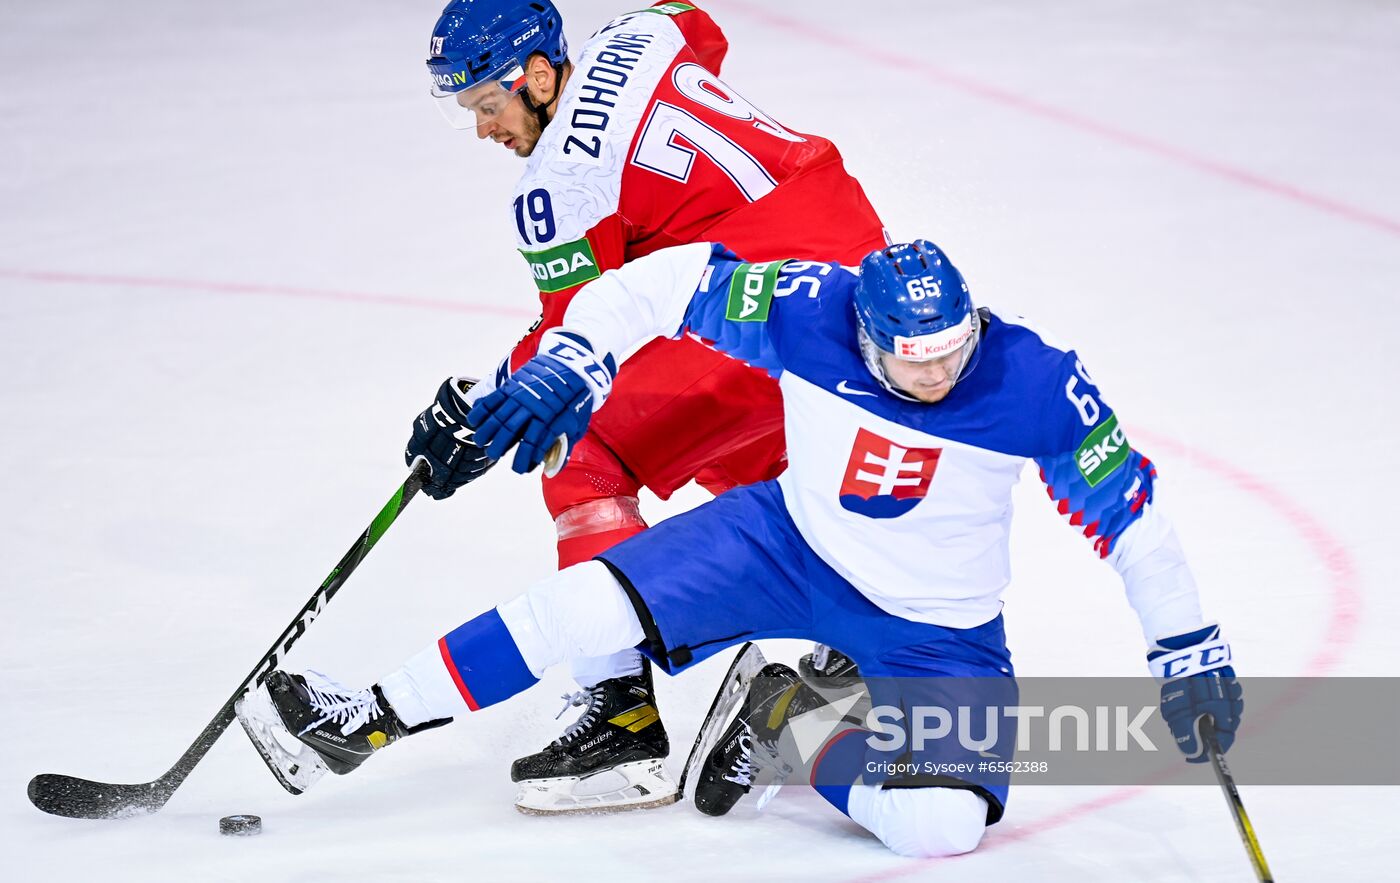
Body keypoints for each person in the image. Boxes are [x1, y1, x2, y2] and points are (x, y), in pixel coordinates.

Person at [238, 240, 1244, 857]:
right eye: (912, 356)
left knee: (943, 830)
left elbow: (1130, 519)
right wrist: (576, 361)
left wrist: (1187, 646)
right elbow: (666, 285)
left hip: (937, 628)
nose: (936, 374)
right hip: (778, 544)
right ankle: (361, 719)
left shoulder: (1033, 382)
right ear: (867, 335)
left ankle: (788, 724)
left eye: (951, 351)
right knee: (581, 611)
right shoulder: (814, 310)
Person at [405, 0, 886, 810]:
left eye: (487, 104)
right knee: (762, 458)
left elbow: (578, 339)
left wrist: (476, 407)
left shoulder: (555, 189)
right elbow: (699, 22)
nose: (483, 129)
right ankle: (862, 654)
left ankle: (616, 715)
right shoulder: (646, 31)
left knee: (584, 444)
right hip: (851, 262)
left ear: (538, 77)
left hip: (753, 301)